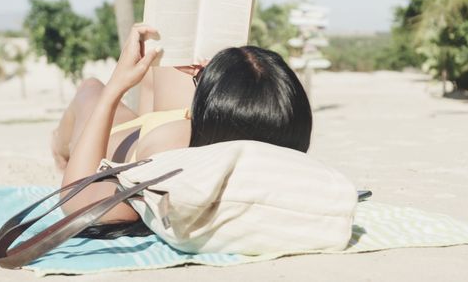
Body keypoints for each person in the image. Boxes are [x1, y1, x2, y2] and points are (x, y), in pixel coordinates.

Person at [51, 23, 312, 230]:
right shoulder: (273, 143)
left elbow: (75, 197)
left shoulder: (171, 173)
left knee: (91, 88)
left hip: (123, 136)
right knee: (165, 60)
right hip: (178, 126)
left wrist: (116, 86)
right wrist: (212, 75)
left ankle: (58, 146)